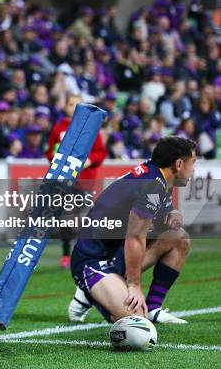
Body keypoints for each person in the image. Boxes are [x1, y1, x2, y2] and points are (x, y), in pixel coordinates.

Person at [68, 136, 195, 324]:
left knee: (178, 238)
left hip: (115, 255)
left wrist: (172, 213)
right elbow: (135, 236)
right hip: (92, 261)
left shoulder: (157, 176)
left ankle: (153, 307)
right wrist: (134, 285)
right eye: (193, 163)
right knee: (136, 322)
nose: (193, 170)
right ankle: (92, 292)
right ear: (178, 164)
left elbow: (158, 212)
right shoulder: (152, 185)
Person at [46, 93, 107, 268]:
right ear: (65, 106)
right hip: (64, 179)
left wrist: (89, 160)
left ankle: (88, 253)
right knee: (65, 216)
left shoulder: (91, 127)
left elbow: (100, 152)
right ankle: (66, 255)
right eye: (70, 104)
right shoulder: (59, 128)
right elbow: (49, 150)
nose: (73, 108)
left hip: (85, 180)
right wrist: (55, 158)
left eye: (77, 104)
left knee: (83, 217)